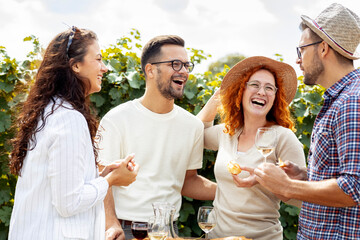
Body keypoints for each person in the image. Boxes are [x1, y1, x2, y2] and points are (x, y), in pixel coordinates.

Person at [8, 26, 139, 240]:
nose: (104, 68)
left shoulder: (49, 112)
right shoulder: (68, 118)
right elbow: (69, 202)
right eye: (98, 59)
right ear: (76, 65)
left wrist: (103, 175)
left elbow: (62, 186)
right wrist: (112, 180)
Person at [254, 3, 360, 240]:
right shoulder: (339, 98)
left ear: (323, 48)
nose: (298, 59)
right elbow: (341, 176)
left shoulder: (352, 101)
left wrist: (287, 187)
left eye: (301, 49)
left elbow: (355, 189)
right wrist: (305, 176)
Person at [98, 35, 217, 240]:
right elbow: (100, 178)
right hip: (124, 232)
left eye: (187, 65)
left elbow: (188, 181)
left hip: (170, 232)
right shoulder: (116, 119)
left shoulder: (192, 126)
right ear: (150, 70)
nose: (184, 71)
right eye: (175, 64)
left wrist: (233, 191)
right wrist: (110, 223)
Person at [197, 56, 306, 240]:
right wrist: (218, 96)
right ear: (241, 91)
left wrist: (272, 182)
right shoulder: (227, 132)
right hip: (217, 237)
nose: (262, 92)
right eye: (254, 85)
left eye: (269, 88)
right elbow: (198, 132)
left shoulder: (283, 137)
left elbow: (304, 198)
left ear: (275, 97)